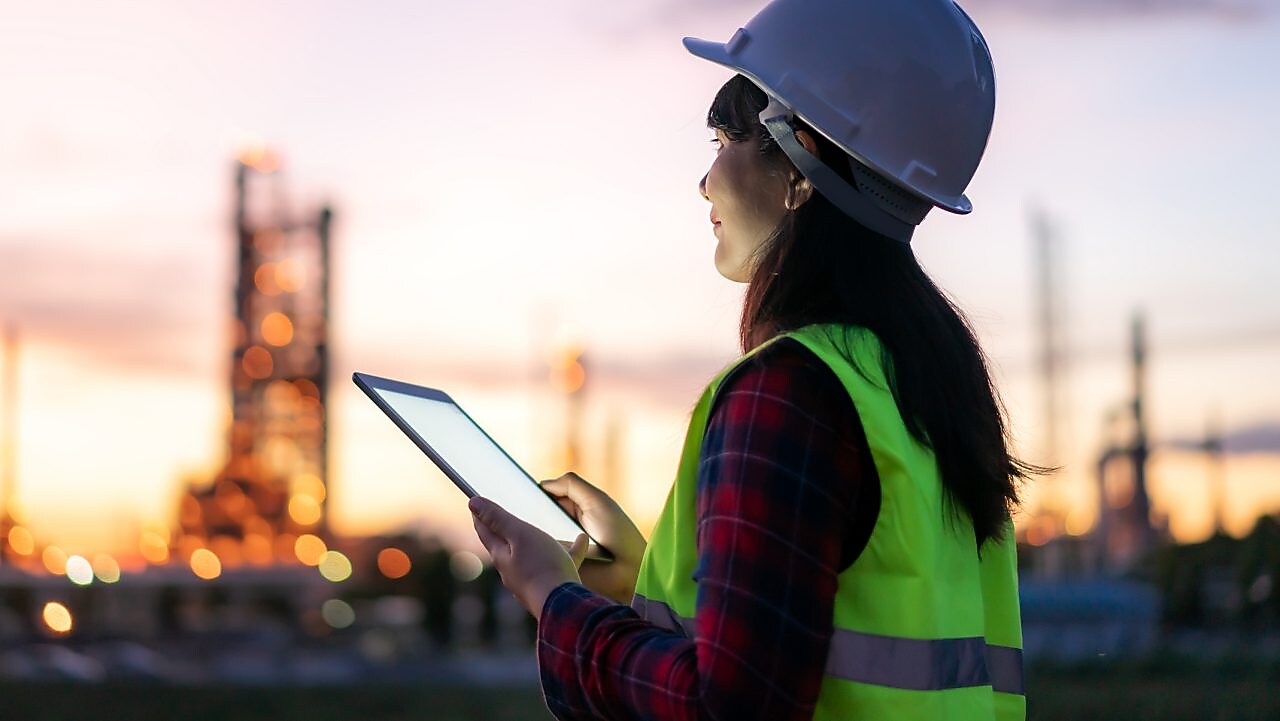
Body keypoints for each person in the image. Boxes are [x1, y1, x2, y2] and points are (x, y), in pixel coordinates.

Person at [467, 0, 1036, 719]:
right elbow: (825, 635)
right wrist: (639, 574)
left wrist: (554, 596)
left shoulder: (788, 391)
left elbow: (732, 704)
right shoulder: (922, 384)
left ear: (799, 161)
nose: (704, 182)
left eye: (722, 140)